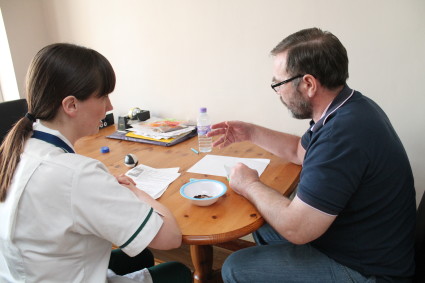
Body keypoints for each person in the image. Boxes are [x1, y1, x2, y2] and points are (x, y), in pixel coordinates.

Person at [208, 28, 416, 282]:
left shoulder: (342, 136)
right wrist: (250, 132)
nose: (277, 92)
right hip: (356, 240)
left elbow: (297, 228)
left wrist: (249, 183)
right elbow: (299, 151)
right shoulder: (350, 107)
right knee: (263, 226)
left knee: (236, 267)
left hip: (369, 270)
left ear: (308, 84)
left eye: (278, 83)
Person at [0, 43, 192, 283]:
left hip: (28, 273)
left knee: (140, 255)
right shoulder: (77, 174)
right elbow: (170, 238)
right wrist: (136, 192)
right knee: (178, 271)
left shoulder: (17, 149)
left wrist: (101, 188)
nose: (110, 107)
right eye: (103, 96)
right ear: (71, 105)